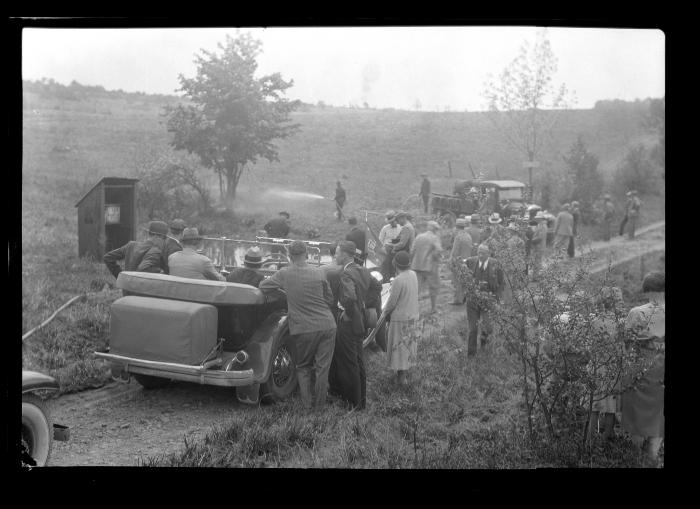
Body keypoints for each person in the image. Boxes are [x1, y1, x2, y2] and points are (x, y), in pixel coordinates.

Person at [259, 240, 337, 410]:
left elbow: (263, 286)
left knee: (303, 367)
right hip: (327, 324)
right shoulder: (319, 272)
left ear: (289, 255)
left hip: (303, 327)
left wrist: (284, 292)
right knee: (323, 368)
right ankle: (320, 407)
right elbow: (330, 299)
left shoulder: (284, 273)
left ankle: (307, 406)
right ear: (307, 254)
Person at [328, 240, 382, 410]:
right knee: (358, 359)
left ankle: (353, 403)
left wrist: (350, 311)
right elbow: (377, 287)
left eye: (337, 252)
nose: (335, 255)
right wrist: (365, 304)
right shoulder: (363, 270)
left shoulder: (346, 274)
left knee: (349, 361)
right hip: (360, 321)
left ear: (344, 254)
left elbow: (349, 298)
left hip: (349, 322)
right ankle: (360, 400)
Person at [622, 271, 665, 465]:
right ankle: (653, 457)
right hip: (662, 367)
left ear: (646, 289)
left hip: (641, 366)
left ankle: (634, 454)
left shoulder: (636, 312)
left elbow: (627, 343)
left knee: (637, 410)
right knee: (659, 411)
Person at [589, 286, 624, 440]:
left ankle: (590, 439)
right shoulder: (620, 323)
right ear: (617, 302)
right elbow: (622, 348)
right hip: (612, 368)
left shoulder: (594, 321)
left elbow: (588, 345)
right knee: (611, 406)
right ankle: (606, 439)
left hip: (596, 366)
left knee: (594, 405)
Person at [382, 251, 420, 385]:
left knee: (399, 349)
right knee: (408, 347)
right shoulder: (413, 274)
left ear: (395, 264)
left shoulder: (398, 280)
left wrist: (384, 313)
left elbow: (391, 302)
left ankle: (401, 379)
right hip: (413, 315)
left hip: (400, 319)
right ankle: (404, 377)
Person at [464, 244, 504, 356]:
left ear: (489, 254)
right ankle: (471, 355)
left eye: (483, 253)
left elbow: (501, 283)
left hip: (488, 301)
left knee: (487, 327)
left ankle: (484, 349)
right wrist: (466, 290)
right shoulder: (470, 262)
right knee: (472, 329)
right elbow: (462, 275)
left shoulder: (496, 264)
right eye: (478, 252)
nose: (480, 255)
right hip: (472, 301)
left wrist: (496, 298)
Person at [103, 220, 168, 279]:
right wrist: (160, 271)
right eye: (164, 238)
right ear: (156, 236)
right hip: (143, 290)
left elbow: (108, 257)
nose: (165, 241)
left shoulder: (131, 245)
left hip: (127, 289)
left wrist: (121, 277)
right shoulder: (157, 251)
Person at [410, 221, 443, 315]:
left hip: (416, 266)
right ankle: (433, 308)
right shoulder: (434, 238)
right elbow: (439, 250)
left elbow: (412, 250)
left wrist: (413, 261)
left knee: (416, 289)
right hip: (430, 267)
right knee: (433, 287)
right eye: (436, 229)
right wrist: (434, 258)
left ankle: (413, 310)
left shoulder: (419, 236)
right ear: (434, 229)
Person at [449, 217, 473, 305]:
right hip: (467, 261)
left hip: (458, 261)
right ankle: (463, 298)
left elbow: (454, 252)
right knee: (464, 280)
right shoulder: (468, 236)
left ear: (456, 227)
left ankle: (457, 300)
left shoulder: (458, 237)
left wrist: (451, 262)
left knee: (456, 281)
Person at [378, 210, 402, 280]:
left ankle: (394, 281)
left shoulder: (400, 227)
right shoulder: (385, 228)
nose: (392, 223)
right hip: (387, 251)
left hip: (397, 250)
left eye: (393, 221)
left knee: (395, 268)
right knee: (385, 268)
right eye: (390, 222)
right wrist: (383, 249)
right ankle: (385, 281)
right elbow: (380, 240)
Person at [530, 212, 548, 281]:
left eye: (538, 218)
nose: (536, 219)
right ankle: (536, 276)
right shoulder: (540, 225)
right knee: (537, 262)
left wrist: (532, 241)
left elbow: (540, 237)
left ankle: (536, 277)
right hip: (538, 246)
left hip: (539, 247)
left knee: (537, 262)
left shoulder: (542, 226)